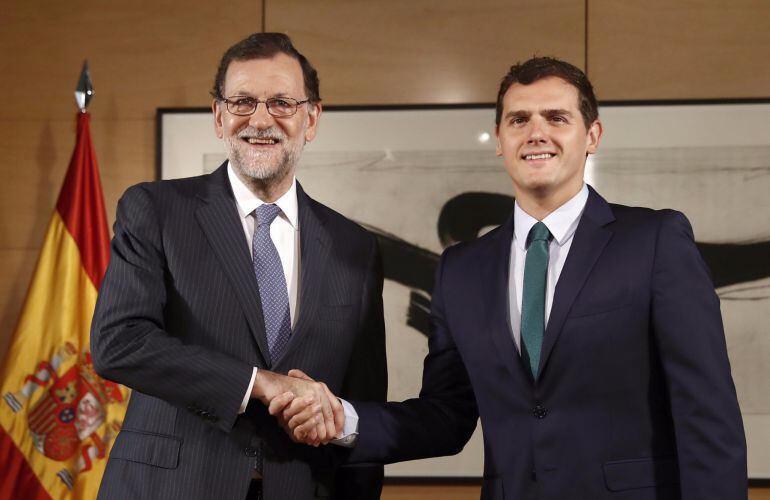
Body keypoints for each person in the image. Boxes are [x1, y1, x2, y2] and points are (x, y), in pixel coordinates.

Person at [277, 57, 748, 499]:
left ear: (593, 135)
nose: (536, 133)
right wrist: (341, 420)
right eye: (519, 120)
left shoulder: (655, 241)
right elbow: (445, 416)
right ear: (499, 138)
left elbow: (707, 417)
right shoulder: (461, 269)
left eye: (556, 118)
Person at [90, 32, 387, 500]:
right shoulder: (155, 210)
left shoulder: (355, 247)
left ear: (311, 118)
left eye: (282, 103)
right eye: (243, 102)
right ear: (219, 116)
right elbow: (118, 342)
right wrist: (259, 383)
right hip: (169, 487)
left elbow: (364, 402)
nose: (261, 120)